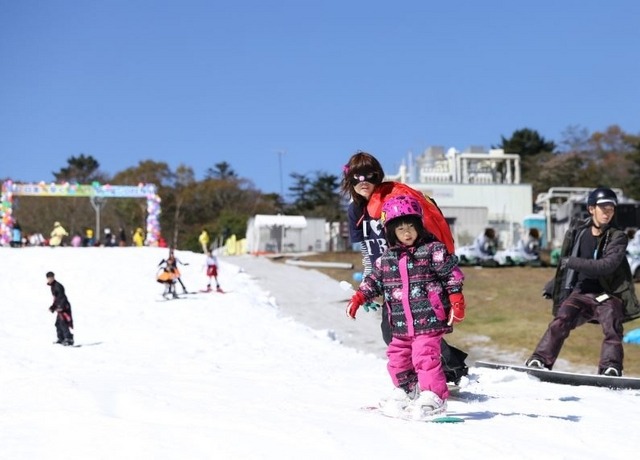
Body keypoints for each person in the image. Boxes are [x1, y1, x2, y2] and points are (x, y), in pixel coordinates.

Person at [341, 151, 468, 384]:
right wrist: (367, 286)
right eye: (357, 177)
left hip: (415, 274)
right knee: (401, 331)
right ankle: (439, 372)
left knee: (412, 331)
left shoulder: (392, 201)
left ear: (378, 175)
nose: (363, 182)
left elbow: (417, 236)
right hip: (388, 279)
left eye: (369, 176)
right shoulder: (355, 211)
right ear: (349, 179)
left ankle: (443, 373)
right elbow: (368, 250)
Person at [346, 195, 466, 418]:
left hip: (429, 319)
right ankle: (407, 390)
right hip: (400, 323)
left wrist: (457, 298)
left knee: (425, 357)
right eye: (401, 229)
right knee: (397, 357)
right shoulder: (387, 258)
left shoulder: (432, 250)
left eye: (411, 227)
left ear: (419, 226)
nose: (407, 233)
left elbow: (451, 273)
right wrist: (359, 298)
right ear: (392, 232)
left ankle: (434, 396)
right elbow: (374, 281)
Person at [526, 187, 640, 376]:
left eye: (611, 209)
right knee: (561, 319)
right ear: (591, 209)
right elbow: (568, 266)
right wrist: (554, 285)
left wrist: (572, 262)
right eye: (603, 208)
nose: (607, 212)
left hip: (607, 293)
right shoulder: (578, 233)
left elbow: (606, 265)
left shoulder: (617, 237)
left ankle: (610, 368)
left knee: (612, 322)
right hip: (580, 293)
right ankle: (540, 360)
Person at [46, 271, 74, 346]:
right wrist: (53, 307)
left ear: (53, 277)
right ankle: (61, 338)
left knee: (63, 323)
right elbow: (56, 299)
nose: (50, 279)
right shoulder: (53, 286)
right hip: (60, 306)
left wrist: (61, 307)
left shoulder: (57, 286)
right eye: (49, 278)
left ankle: (69, 339)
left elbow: (62, 297)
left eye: (51, 277)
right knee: (58, 323)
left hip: (64, 306)